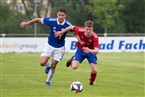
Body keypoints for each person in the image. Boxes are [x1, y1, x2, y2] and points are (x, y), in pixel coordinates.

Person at [20, 8, 72, 86]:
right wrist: (27, 23)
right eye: (59, 15)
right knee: (42, 63)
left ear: (65, 15)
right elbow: (38, 19)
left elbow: (76, 31)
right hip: (50, 45)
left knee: (54, 66)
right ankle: (49, 65)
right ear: (57, 15)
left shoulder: (68, 25)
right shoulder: (51, 21)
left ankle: (48, 81)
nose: (61, 17)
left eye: (62, 15)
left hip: (60, 47)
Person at [55, 20, 99, 85]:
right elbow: (71, 27)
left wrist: (89, 50)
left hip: (90, 52)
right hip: (80, 50)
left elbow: (96, 51)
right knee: (74, 67)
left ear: (92, 29)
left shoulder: (95, 37)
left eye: (90, 29)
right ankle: (73, 59)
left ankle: (91, 82)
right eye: (87, 29)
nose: (88, 31)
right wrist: (61, 32)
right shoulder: (79, 30)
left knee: (94, 70)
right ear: (84, 28)